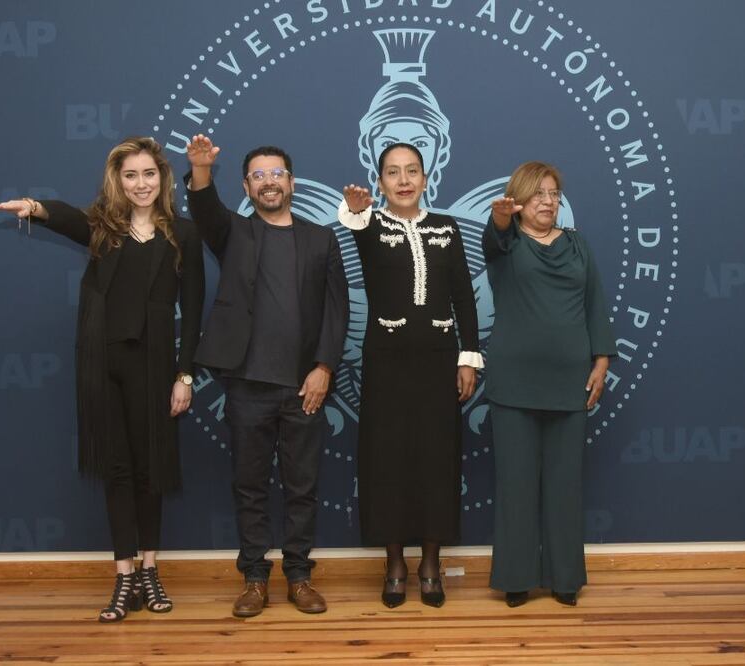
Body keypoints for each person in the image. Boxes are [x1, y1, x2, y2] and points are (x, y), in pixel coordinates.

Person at [0, 137, 205, 622]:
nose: (141, 184)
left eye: (149, 174)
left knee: (152, 470)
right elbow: (65, 216)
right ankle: (124, 576)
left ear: (163, 177)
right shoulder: (103, 229)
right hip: (103, 367)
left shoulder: (184, 235)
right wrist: (34, 207)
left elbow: (192, 309)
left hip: (156, 367)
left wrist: (185, 374)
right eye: (130, 176)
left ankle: (151, 570)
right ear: (118, 181)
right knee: (119, 471)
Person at [184, 134, 348, 617]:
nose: (269, 182)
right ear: (247, 187)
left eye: (277, 173)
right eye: (258, 175)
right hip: (247, 385)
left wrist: (323, 368)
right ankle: (255, 578)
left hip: (305, 387)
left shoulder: (321, 238)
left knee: (303, 487)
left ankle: (299, 576)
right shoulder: (232, 232)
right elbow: (205, 210)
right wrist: (200, 170)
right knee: (249, 485)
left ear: (292, 182)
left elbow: (337, 311)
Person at [339, 142, 482, 608]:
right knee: (388, 462)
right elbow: (357, 225)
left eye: (412, 171)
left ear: (426, 177)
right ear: (380, 181)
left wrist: (468, 357)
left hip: (439, 362)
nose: (403, 180)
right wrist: (357, 211)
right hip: (386, 363)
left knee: (437, 460)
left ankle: (431, 563)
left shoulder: (447, 226)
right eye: (393, 172)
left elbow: (464, 296)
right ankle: (395, 562)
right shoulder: (371, 224)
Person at [482, 161, 616, 608]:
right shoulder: (506, 243)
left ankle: (564, 579)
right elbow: (494, 235)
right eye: (537, 193)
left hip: (570, 382)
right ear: (518, 201)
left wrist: (601, 359)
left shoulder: (577, 245)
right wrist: (501, 217)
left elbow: (595, 301)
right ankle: (516, 579)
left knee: (564, 484)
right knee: (516, 484)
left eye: (554, 193)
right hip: (514, 383)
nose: (547, 201)